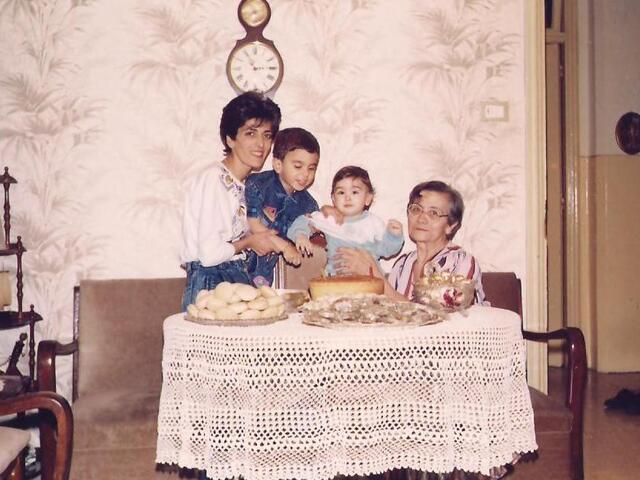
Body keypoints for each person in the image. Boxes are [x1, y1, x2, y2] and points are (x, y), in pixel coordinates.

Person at [179, 91, 282, 310]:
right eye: (250, 133)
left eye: (267, 135)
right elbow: (209, 255)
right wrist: (249, 242)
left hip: (233, 279)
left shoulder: (245, 185)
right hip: (212, 283)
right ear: (230, 139)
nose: (261, 144)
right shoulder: (213, 179)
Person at [333, 180, 487, 303]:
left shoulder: (461, 261)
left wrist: (377, 279)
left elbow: (440, 321)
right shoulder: (402, 264)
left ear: (451, 225)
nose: (421, 218)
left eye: (434, 213)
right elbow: (392, 312)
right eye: (416, 209)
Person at [287, 165, 404, 276]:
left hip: (369, 279)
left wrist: (394, 236)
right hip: (337, 279)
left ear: (368, 198)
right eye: (341, 192)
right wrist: (300, 235)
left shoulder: (373, 222)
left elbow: (386, 249)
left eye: (354, 192)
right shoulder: (329, 218)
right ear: (333, 198)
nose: (347, 197)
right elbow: (304, 220)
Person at [244, 127, 321, 286]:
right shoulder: (258, 185)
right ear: (278, 165)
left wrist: (307, 232)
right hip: (238, 262)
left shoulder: (308, 204)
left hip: (264, 273)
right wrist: (285, 247)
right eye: (298, 166)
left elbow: (314, 226)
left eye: (311, 168)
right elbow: (252, 224)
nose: (305, 174)